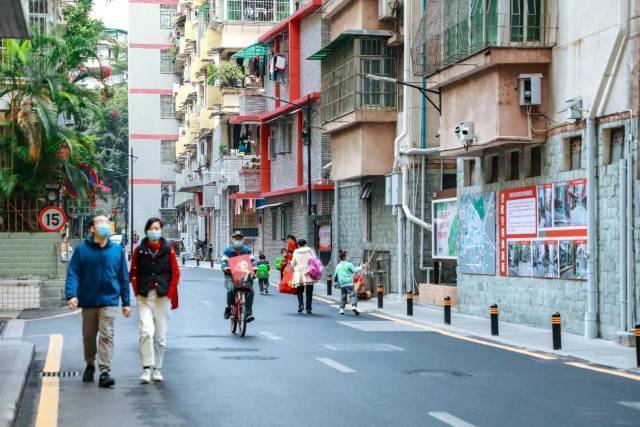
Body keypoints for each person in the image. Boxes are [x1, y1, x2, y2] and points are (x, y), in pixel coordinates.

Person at [65, 215, 131, 388]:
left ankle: (104, 372)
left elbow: (123, 277)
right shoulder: (82, 250)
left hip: (109, 300)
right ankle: (90, 364)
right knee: (88, 336)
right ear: (92, 229)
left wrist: (126, 302)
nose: (105, 225)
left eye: (106, 222)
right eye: (100, 222)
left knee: (106, 334)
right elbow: (73, 273)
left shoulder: (117, 251)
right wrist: (72, 295)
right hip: (88, 301)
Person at [129, 218, 180, 384]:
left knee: (160, 337)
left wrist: (169, 293)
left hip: (162, 298)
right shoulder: (140, 250)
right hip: (144, 297)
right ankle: (146, 368)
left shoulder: (168, 249)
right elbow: (133, 272)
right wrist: (137, 291)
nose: (154, 231)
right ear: (146, 231)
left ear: (161, 230)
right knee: (146, 332)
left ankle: (157, 368)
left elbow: (175, 272)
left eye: (157, 228)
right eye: (151, 228)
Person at [221, 231, 256, 322]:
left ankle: (248, 313)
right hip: (230, 275)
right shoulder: (228, 251)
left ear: (242, 240)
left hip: (244, 275)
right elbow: (224, 261)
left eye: (239, 238)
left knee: (250, 291)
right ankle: (228, 308)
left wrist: (255, 267)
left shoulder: (247, 250)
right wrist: (225, 267)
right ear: (233, 239)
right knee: (230, 290)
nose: (238, 240)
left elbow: (253, 260)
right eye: (236, 238)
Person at [335, 250, 366, 315]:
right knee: (353, 295)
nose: (348, 257)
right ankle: (354, 307)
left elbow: (335, 276)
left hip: (342, 283)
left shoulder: (338, 266)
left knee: (343, 296)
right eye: (347, 256)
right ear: (344, 257)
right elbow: (354, 270)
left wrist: (335, 282)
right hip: (349, 282)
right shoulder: (349, 264)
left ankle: (341, 310)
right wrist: (361, 267)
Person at [290, 239, 316, 314]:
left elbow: (293, 263)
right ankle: (308, 308)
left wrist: (292, 266)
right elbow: (314, 260)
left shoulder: (296, 252)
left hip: (299, 272)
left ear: (298, 245)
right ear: (305, 244)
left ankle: (301, 305)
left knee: (299, 290)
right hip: (308, 271)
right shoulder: (310, 251)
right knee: (309, 291)